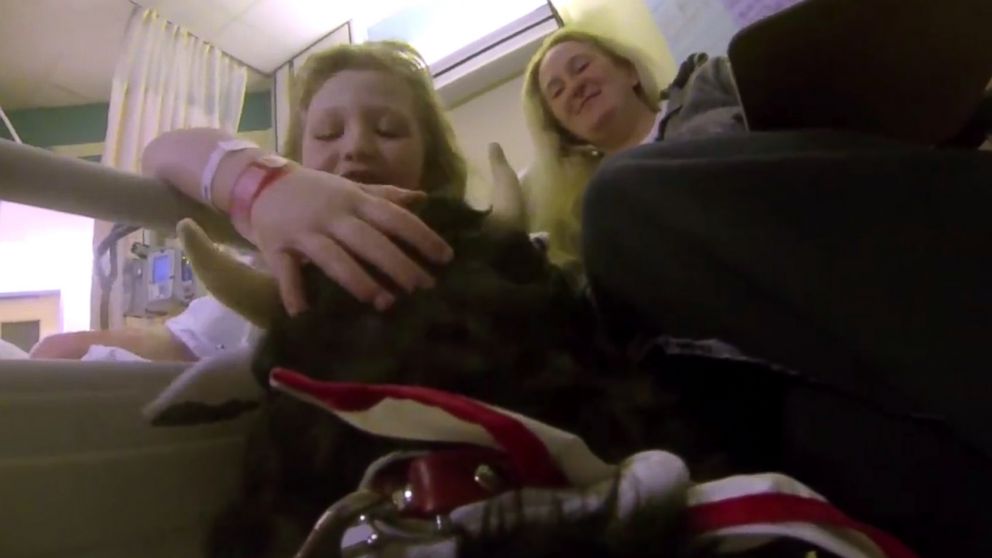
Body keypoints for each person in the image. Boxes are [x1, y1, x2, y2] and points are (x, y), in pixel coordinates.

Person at [522, 9, 992, 556]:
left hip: (832, 245)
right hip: (748, 362)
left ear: (628, 70)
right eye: (557, 92)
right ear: (565, 133)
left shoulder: (711, 85)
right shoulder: (587, 231)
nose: (574, 86)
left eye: (580, 67)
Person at [31, 40, 468, 361]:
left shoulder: (479, 267)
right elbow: (162, 152)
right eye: (328, 133)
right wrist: (264, 187)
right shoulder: (268, 274)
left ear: (432, 163)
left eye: (389, 129)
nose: (356, 147)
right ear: (299, 161)